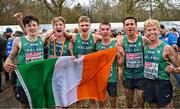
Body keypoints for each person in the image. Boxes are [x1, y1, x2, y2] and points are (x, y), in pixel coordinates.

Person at [4, 14, 54, 108]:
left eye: (34, 25)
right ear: (26, 27)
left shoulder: (41, 38)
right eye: (29, 26)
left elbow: (54, 29)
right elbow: (10, 57)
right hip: (24, 80)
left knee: (39, 103)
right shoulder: (18, 40)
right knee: (23, 105)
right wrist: (6, 63)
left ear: (38, 26)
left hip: (38, 79)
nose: (32, 28)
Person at [143, 19, 180, 108]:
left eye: (154, 29)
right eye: (149, 30)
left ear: (159, 30)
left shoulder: (167, 48)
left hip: (163, 84)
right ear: (145, 32)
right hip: (149, 83)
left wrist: (174, 69)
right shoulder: (145, 47)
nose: (152, 32)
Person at [67, 16, 101, 108]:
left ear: (90, 26)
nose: (84, 27)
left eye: (86, 25)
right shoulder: (74, 37)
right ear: (78, 26)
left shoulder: (95, 37)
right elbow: (62, 34)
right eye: (82, 25)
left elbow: (108, 39)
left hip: (91, 72)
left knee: (92, 98)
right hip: (77, 72)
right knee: (78, 99)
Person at [116, 16, 149, 108]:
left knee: (140, 104)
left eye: (132, 24)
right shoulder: (121, 41)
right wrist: (122, 55)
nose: (129, 26)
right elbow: (120, 63)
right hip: (128, 76)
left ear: (136, 26)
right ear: (124, 27)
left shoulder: (143, 39)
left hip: (141, 76)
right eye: (127, 24)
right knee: (129, 103)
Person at [96, 22, 123, 108]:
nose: (105, 31)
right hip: (100, 78)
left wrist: (120, 54)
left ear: (110, 31)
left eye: (107, 29)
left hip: (112, 78)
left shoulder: (115, 43)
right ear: (99, 31)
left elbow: (120, 63)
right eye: (103, 29)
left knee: (113, 101)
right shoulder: (97, 44)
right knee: (101, 101)